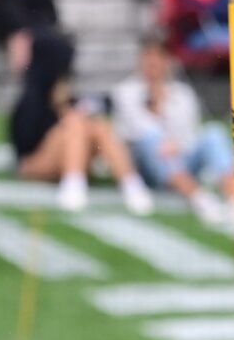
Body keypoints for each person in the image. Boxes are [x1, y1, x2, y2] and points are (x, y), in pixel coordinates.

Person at [10, 29, 152, 215]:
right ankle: (73, 183)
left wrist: (66, 108)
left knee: (99, 126)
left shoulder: (65, 93)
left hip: (67, 152)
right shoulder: (32, 98)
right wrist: (60, 111)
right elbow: (24, 143)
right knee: (75, 123)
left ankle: (130, 183)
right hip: (34, 164)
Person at [111, 33, 234, 224]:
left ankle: (233, 199)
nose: (152, 63)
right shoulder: (125, 92)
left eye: (157, 57)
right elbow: (135, 133)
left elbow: (190, 135)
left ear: (167, 61)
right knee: (153, 139)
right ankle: (201, 199)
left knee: (214, 132)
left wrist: (177, 145)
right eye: (148, 56)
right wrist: (157, 107)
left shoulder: (183, 94)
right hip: (147, 165)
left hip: (181, 157)